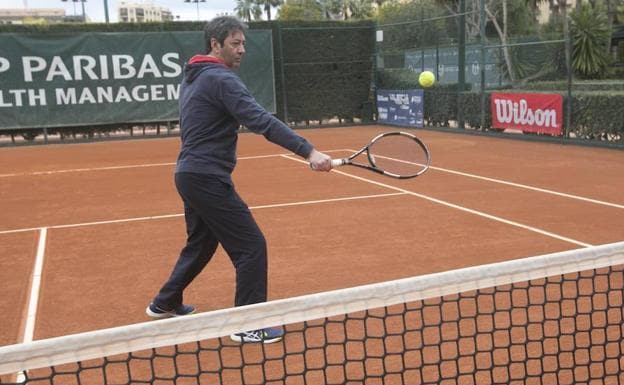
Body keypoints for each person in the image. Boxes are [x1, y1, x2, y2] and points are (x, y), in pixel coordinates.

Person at [145, 16, 332, 344]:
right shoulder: (220, 79)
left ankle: (165, 301)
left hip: (190, 174)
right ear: (215, 45)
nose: (242, 49)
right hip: (205, 176)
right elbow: (261, 120)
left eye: (243, 43)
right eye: (235, 43)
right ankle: (248, 322)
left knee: (202, 242)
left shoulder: (195, 76)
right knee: (251, 246)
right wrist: (309, 152)